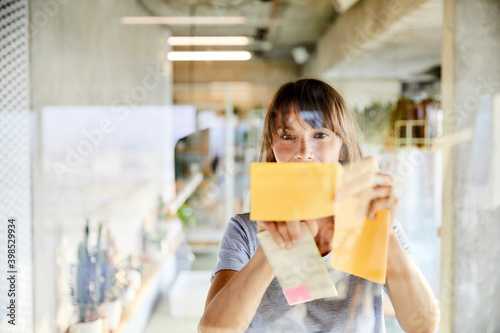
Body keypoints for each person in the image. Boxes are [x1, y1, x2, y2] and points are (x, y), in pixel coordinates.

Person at [198, 79, 440, 332]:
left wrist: (382, 233)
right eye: (287, 136)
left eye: (320, 135)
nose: (304, 152)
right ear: (272, 148)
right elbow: (213, 329)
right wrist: (272, 243)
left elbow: (423, 324)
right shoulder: (246, 231)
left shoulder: (373, 221)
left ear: (342, 148)